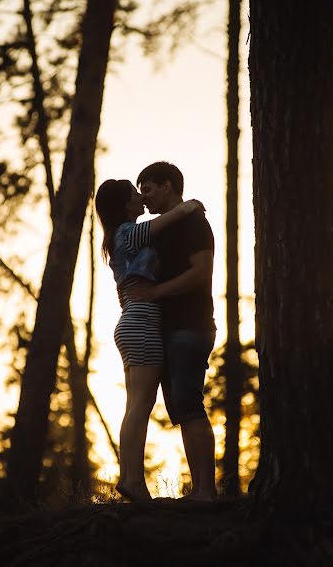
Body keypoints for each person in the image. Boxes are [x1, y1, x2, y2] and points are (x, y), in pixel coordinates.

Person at [95, 179, 203, 501]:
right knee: (140, 405)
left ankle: (130, 478)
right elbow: (162, 223)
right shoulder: (127, 233)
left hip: (133, 321)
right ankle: (132, 481)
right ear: (124, 204)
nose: (141, 198)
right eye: (135, 193)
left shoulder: (119, 237)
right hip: (141, 322)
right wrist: (188, 206)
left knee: (136, 404)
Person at [133, 161, 217, 501]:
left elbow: (201, 273)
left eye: (148, 188)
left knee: (190, 406)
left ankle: (206, 492)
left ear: (168, 186)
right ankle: (200, 491)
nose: (143, 196)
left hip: (190, 327)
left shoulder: (194, 223)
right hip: (167, 331)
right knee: (182, 409)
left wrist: (156, 293)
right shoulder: (160, 227)